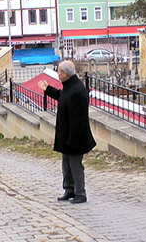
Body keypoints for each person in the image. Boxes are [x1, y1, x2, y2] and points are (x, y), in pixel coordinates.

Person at [37, 61, 96, 204]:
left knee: (75, 166)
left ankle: (80, 193)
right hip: (67, 136)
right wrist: (47, 89)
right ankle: (69, 189)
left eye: (58, 72)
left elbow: (77, 120)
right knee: (66, 165)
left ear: (65, 74)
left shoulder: (77, 90)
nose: (57, 74)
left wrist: (73, 140)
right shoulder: (70, 87)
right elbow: (62, 97)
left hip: (75, 137)